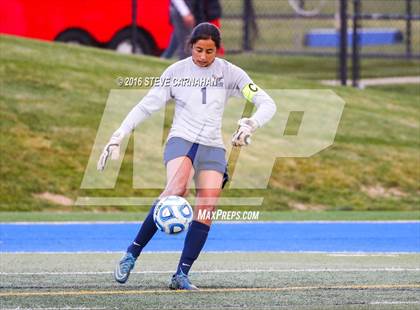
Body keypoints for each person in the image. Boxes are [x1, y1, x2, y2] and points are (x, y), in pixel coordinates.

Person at [97, 22, 276, 290]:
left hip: (213, 145)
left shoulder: (231, 73)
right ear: (190, 46)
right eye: (198, 49)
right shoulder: (176, 71)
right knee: (176, 189)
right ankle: (131, 254)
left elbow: (267, 102)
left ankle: (181, 274)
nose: (203, 57)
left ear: (218, 50)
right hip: (181, 139)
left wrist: (250, 124)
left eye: (210, 51)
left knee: (207, 205)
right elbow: (146, 106)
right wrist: (119, 134)